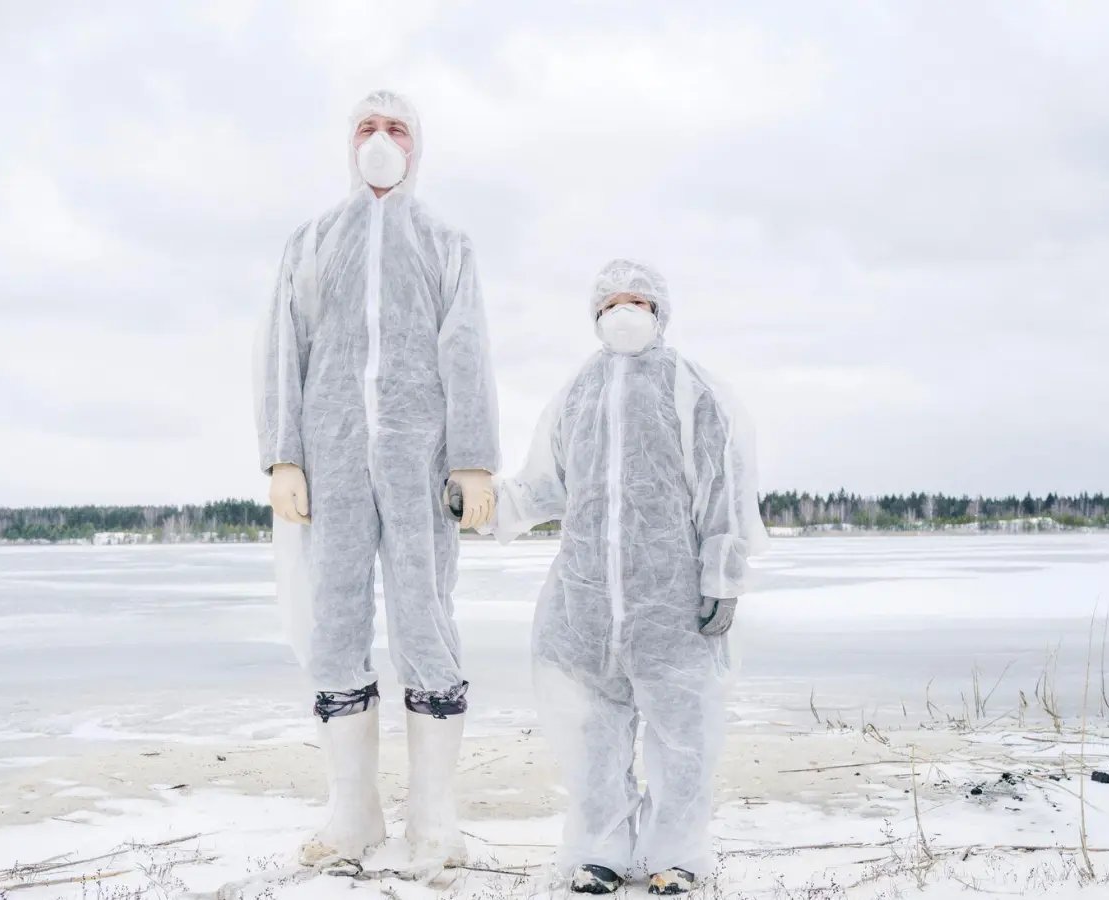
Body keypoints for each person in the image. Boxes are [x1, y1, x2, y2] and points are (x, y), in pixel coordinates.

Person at [253, 90, 500, 872]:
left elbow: (467, 350)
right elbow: (280, 348)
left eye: (396, 128)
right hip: (331, 467)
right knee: (335, 624)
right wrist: (283, 456)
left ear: (417, 147)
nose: (381, 140)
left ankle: (434, 819)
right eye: (368, 127)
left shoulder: (444, 242)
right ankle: (352, 814)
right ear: (347, 143)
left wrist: (473, 458)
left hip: (420, 465)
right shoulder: (313, 241)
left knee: (425, 620)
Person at [487, 260, 767, 894]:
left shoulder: (693, 390)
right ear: (595, 314)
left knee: (683, 739)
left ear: (660, 312)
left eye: (637, 300)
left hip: (671, 607)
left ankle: (679, 856)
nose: (625, 311)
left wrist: (722, 576)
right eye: (612, 301)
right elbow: (544, 486)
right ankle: (600, 851)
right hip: (585, 607)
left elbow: (725, 489)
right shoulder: (577, 392)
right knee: (593, 740)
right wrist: (485, 505)